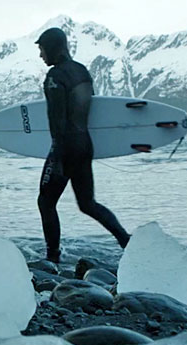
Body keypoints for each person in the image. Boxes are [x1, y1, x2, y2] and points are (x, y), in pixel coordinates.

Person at [35, 27, 130, 263]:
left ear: (52, 48)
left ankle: (52, 257)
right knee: (88, 204)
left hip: (65, 146)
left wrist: (57, 157)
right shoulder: (82, 71)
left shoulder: (55, 77)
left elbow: (57, 119)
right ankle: (126, 241)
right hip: (84, 144)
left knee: (45, 202)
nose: (40, 55)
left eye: (41, 49)